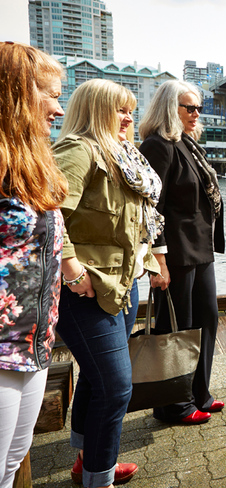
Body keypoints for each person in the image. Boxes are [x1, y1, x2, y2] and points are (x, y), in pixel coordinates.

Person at [53, 79, 163, 488]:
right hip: (87, 290)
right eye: (119, 109)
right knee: (116, 386)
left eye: (130, 109)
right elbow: (49, 215)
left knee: (98, 378)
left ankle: (90, 458)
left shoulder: (124, 156)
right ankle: (100, 479)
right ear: (94, 110)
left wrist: (149, 262)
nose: (129, 117)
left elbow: (134, 224)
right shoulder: (78, 151)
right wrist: (72, 271)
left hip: (123, 284)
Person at [0, 42, 67, 488]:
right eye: (49, 94)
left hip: (35, 342)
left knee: (10, 466)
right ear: (16, 94)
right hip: (2, 349)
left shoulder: (33, 164)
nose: (58, 109)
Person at [139, 80, 225, 425]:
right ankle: (173, 405)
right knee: (176, 327)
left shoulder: (186, 144)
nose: (195, 114)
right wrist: (157, 259)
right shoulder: (157, 146)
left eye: (198, 108)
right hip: (174, 253)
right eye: (188, 107)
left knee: (207, 320)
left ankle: (198, 392)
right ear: (168, 108)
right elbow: (150, 207)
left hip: (200, 249)